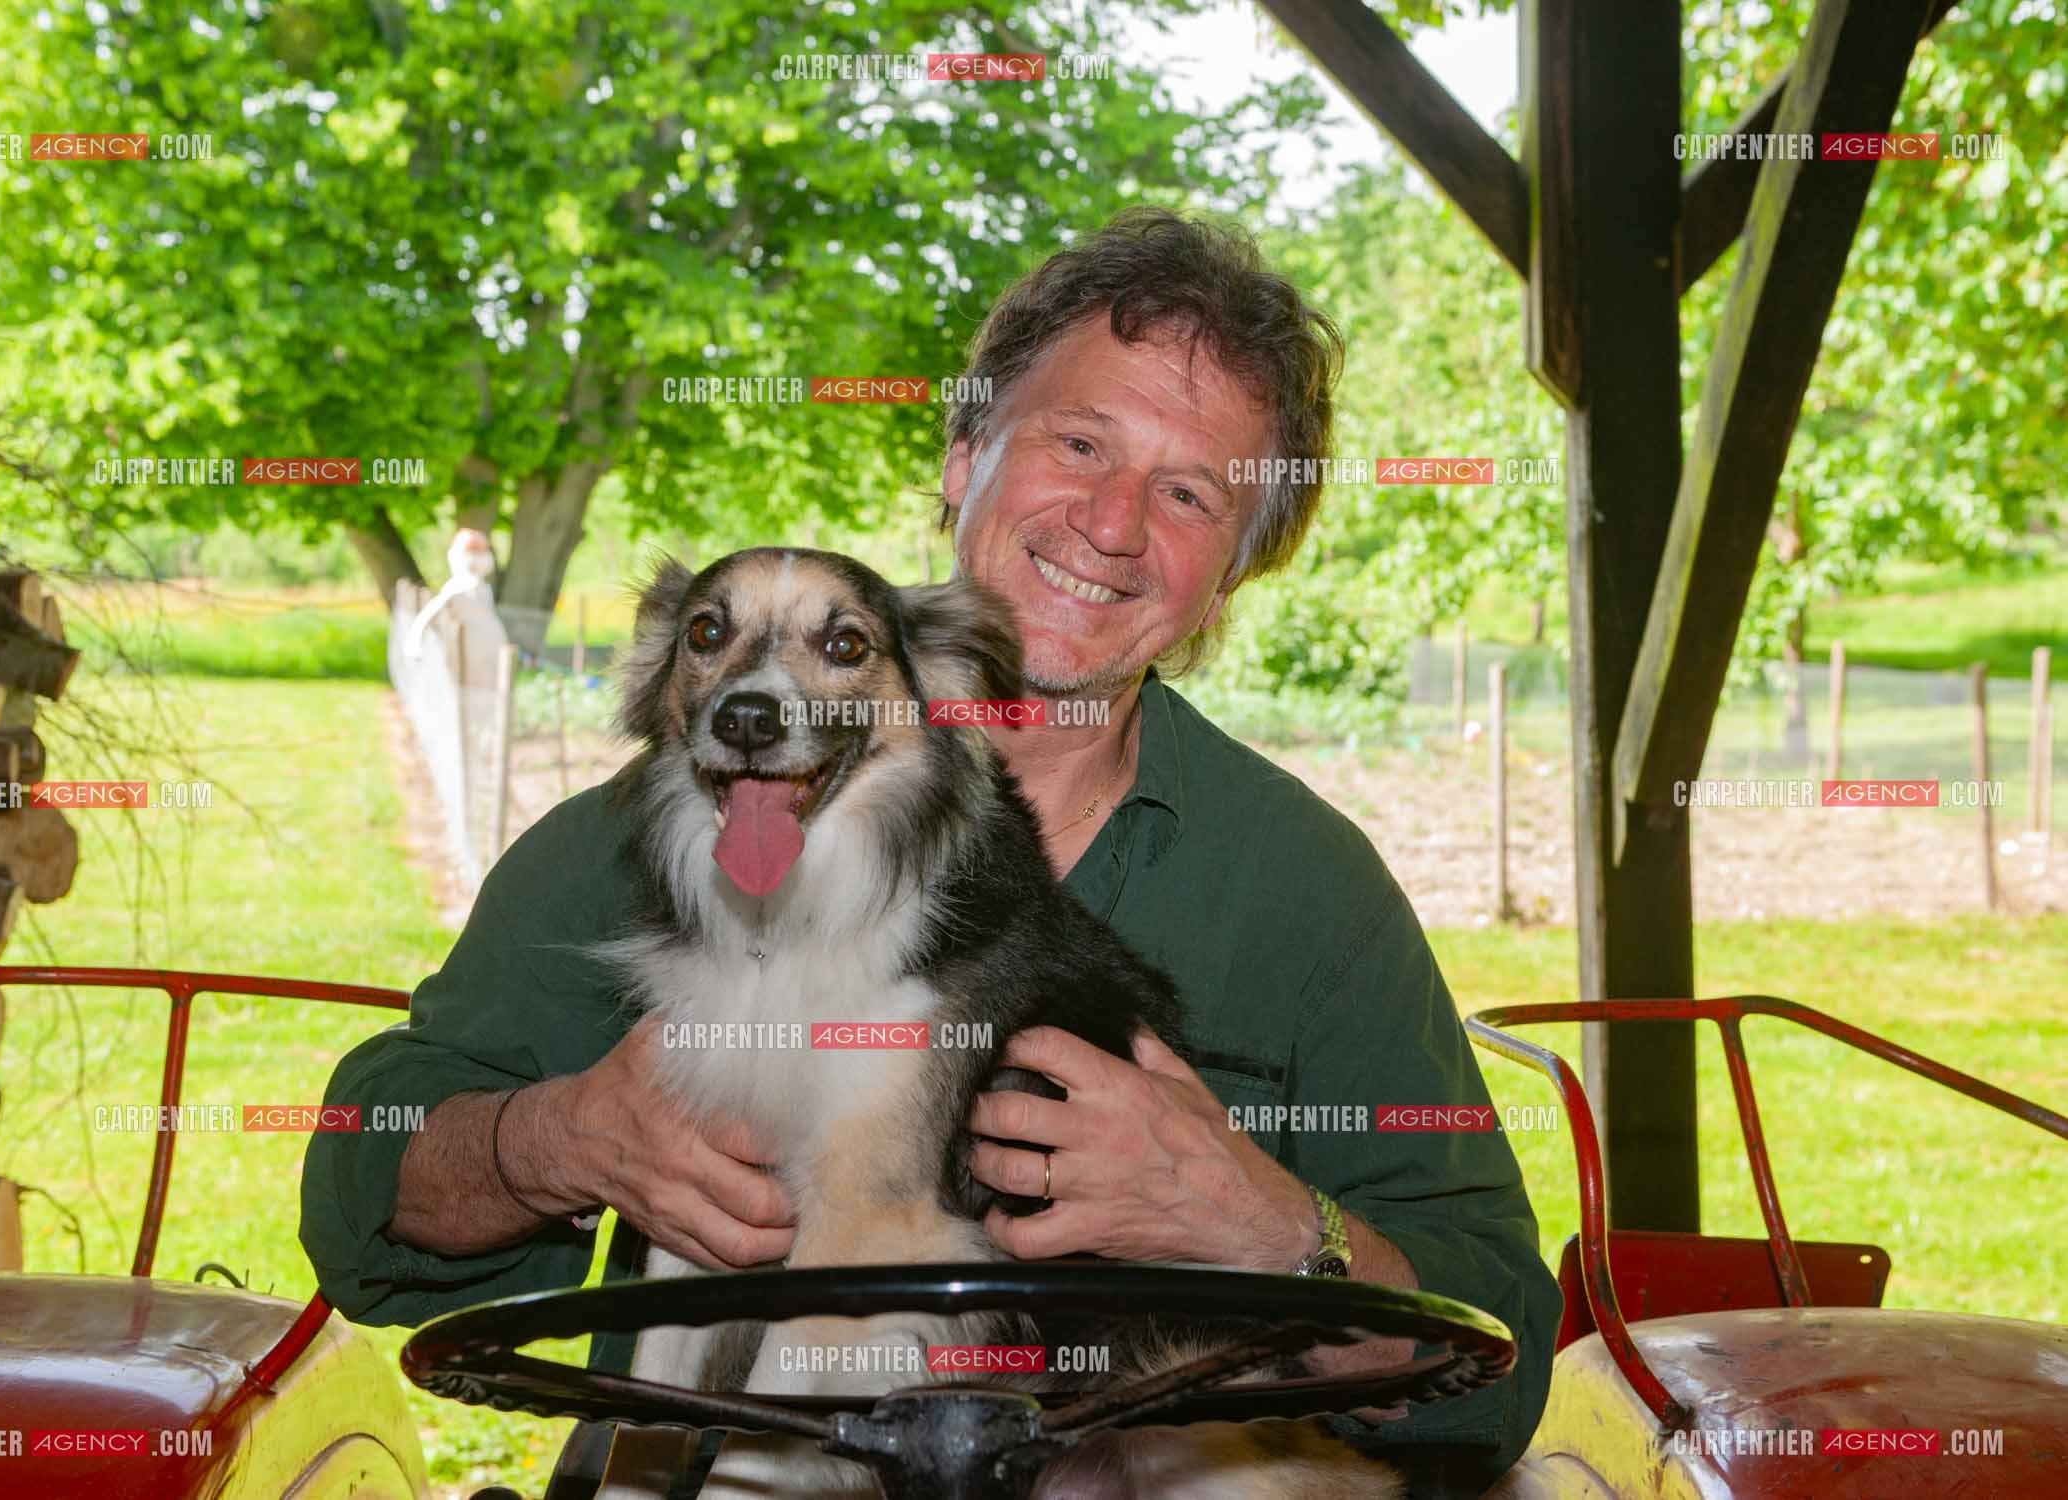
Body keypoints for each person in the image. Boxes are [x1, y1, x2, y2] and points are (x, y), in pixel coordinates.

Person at [301, 206, 1562, 1497]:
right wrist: (551, 1142)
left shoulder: (1305, 887)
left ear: (1233, 573)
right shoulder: (660, 833)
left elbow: (1498, 1353)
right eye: (1079, 442)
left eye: (1190, 494)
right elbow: (363, 1193)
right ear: (964, 457)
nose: (1112, 523)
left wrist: (1268, 1228)